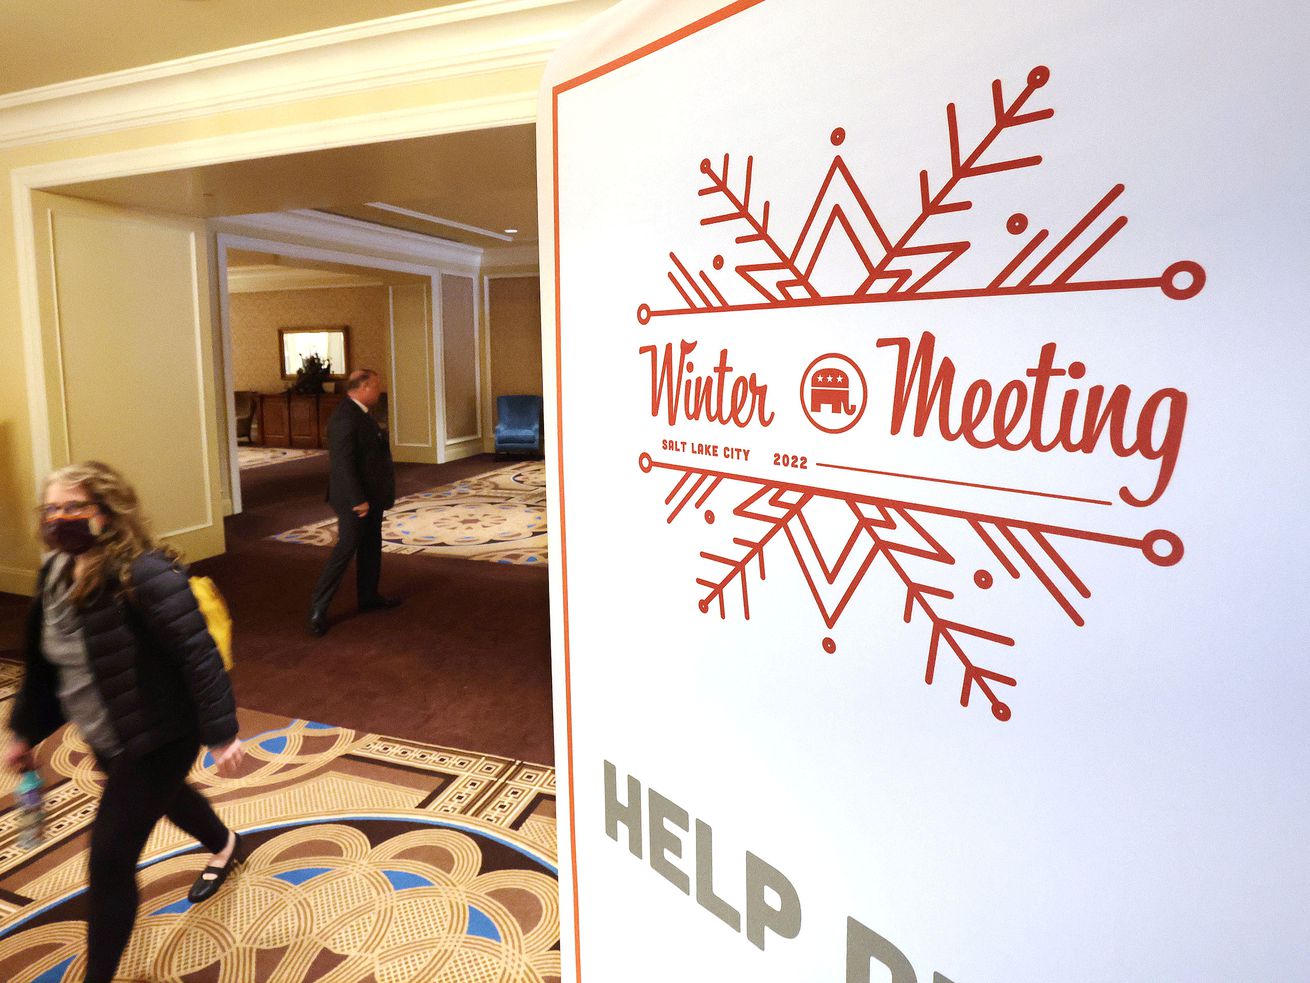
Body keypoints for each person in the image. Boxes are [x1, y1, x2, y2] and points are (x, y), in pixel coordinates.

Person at [4, 461, 246, 983]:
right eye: (52, 508)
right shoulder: (51, 577)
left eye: (75, 506)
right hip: (111, 733)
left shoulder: (144, 573)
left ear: (107, 513)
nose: (60, 518)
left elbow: (197, 655)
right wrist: (23, 733)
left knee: (110, 859)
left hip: (161, 732)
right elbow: (44, 668)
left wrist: (222, 733)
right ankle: (225, 843)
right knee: (165, 796)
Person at [308, 368, 400, 636]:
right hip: (354, 499)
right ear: (363, 387)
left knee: (370, 546)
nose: (379, 391)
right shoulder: (344, 418)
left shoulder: (360, 413)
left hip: (371, 496)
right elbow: (343, 464)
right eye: (376, 386)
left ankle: (369, 596)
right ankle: (318, 607)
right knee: (346, 549)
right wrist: (358, 499)